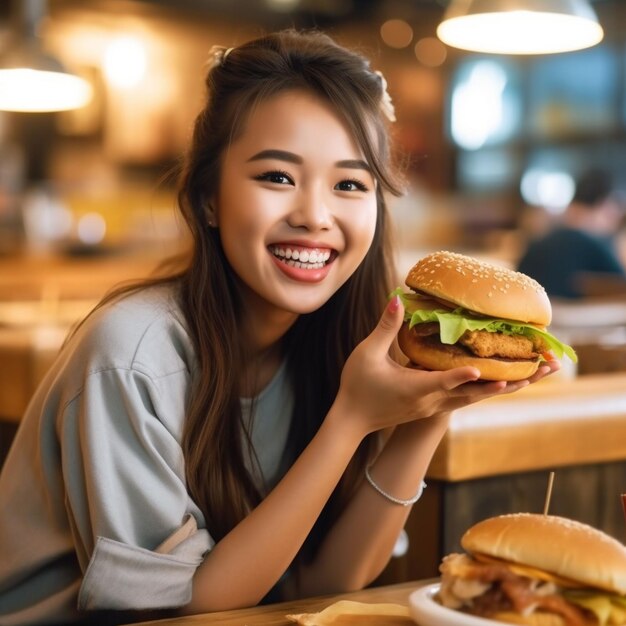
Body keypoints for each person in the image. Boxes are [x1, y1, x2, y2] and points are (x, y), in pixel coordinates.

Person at [0, 29, 559, 626]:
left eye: (349, 184)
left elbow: (329, 579)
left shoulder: (338, 343)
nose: (314, 216)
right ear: (209, 198)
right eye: (276, 177)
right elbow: (177, 612)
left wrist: (436, 403)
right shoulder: (132, 355)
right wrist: (352, 419)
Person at [517, 169, 626, 299]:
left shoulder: (542, 239)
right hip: (574, 316)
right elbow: (621, 285)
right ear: (605, 203)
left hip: (528, 312)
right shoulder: (591, 244)